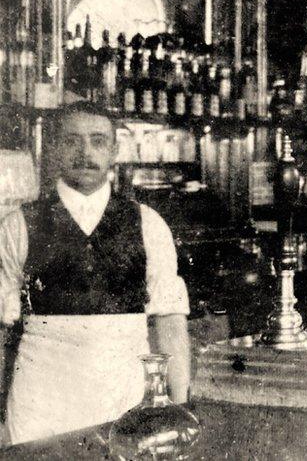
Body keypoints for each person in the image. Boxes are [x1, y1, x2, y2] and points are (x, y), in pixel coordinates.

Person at [0, 101, 191, 445]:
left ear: (114, 150)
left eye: (97, 141)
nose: (85, 152)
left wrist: (178, 410)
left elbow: (170, 323)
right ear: (54, 147)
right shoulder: (18, 226)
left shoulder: (148, 224)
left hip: (123, 399)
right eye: (72, 141)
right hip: (39, 404)